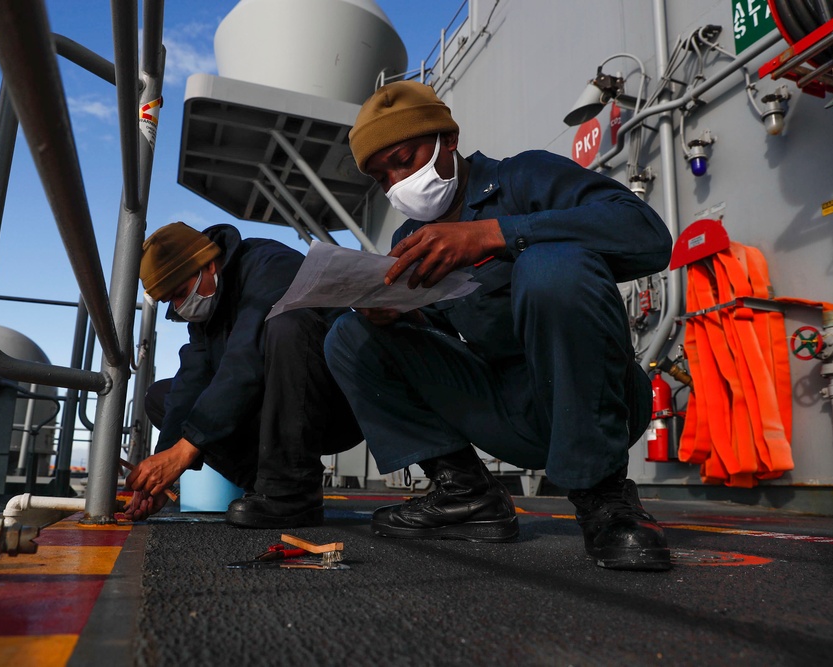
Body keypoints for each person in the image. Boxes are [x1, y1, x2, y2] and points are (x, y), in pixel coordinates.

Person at [323, 81, 674, 570]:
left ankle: (605, 497)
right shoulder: (412, 239)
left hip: (600, 401)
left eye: (404, 160)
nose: (396, 183)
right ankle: (465, 492)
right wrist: (404, 314)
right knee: (350, 334)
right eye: (383, 178)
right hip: (510, 413)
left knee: (549, 266)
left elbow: (649, 236)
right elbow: (444, 345)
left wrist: (497, 234)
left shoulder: (526, 176)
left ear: (448, 138)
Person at [124, 222, 362, 528]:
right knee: (161, 397)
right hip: (274, 411)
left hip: (336, 405)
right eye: (172, 301)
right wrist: (163, 469)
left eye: (181, 293)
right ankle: (265, 488)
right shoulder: (205, 316)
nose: (181, 307)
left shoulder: (269, 264)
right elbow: (190, 384)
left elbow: (245, 361)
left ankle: (292, 491)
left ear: (208, 264)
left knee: (286, 325)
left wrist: (185, 451)